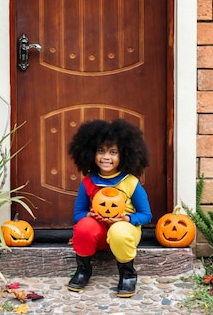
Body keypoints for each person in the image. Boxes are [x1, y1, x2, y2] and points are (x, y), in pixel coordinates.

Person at [66, 118, 152, 298]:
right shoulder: (88, 181)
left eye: (113, 152)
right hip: (99, 236)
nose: (106, 157)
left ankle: (127, 274)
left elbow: (146, 215)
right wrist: (88, 215)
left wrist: (127, 218)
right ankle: (83, 270)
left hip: (123, 234)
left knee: (120, 231)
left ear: (124, 155)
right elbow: (77, 214)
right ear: (91, 153)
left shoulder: (130, 182)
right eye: (101, 151)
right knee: (83, 226)